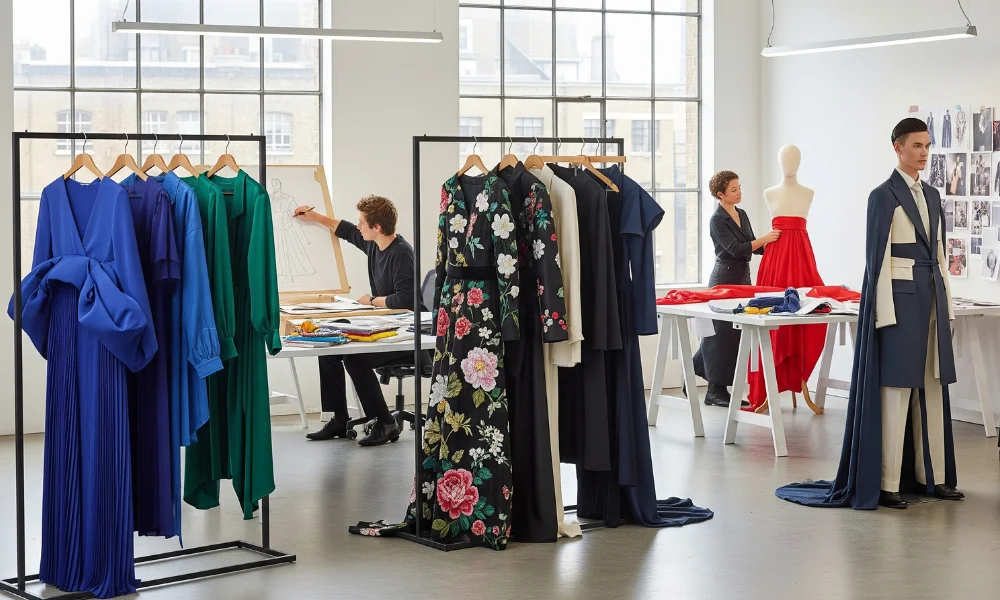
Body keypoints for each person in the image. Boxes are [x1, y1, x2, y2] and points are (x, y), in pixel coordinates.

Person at [776, 117, 963, 510]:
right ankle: (888, 483)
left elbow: (940, 253)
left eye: (927, 146)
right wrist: (883, 315)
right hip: (899, 305)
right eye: (916, 145)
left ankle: (934, 478)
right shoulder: (882, 196)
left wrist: (946, 302)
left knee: (932, 388)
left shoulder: (932, 195)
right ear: (898, 147)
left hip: (931, 300)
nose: (924, 153)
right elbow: (875, 261)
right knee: (895, 390)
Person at [293, 195, 425, 446]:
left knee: (355, 359)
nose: (359, 226)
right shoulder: (374, 244)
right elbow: (345, 230)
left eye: (362, 222)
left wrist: (372, 300)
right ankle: (339, 419)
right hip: (385, 327)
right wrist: (314, 217)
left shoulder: (401, 253)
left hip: (407, 335)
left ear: (377, 227)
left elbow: (407, 299)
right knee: (329, 346)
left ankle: (385, 422)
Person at [691, 171, 780, 407]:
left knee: (734, 333)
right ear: (721, 194)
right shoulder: (717, 220)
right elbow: (736, 249)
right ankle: (715, 391)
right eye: (733, 189)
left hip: (742, 278)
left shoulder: (742, 214)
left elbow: (752, 247)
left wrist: (778, 246)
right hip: (724, 278)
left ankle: (694, 373)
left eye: (739, 187)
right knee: (721, 335)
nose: (739, 192)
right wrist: (765, 239)